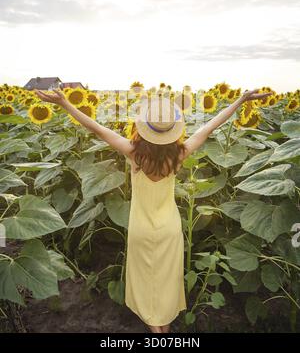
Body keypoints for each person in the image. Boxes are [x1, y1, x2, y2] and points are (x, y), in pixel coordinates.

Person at [34, 87, 272, 334]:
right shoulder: (179, 155)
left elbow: (96, 128)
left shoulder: (134, 154)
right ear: (172, 132)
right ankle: (164, 330)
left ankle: (155, 330)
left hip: (141, 228)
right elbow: (209, 126)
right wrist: (241, 99)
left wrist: (65, 104)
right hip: (169, 229)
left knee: (145, 280)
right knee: (167, 281)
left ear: (144, 127)